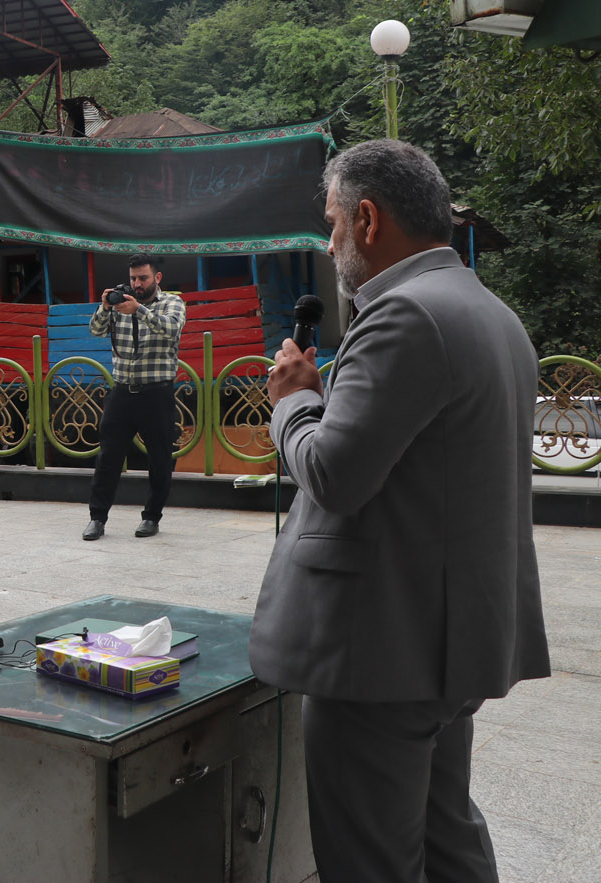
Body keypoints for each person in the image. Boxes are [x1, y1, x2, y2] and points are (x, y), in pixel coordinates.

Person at [249, 140, 548, 883]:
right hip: (449, 642)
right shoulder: (492, 313)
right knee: (446, 836)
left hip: (380, 651)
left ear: (369, 219)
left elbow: (334, 472)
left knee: (371, 860)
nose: (331, 243)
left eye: (333, 224)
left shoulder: (403, 315)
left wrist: (293, 401)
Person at [83, 254, 187, 541]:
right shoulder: (120, 303)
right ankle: (97, 518)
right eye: (133, 279)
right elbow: (95, 330)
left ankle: (152, 517)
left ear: (157, 278)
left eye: (143, 278)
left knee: (160, 458)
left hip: (156, 392)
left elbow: (171, 329)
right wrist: (106, 307)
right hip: (122, 392)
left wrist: (139, 309)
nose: (137, 284)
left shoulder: (172, 303)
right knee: (108, 458)